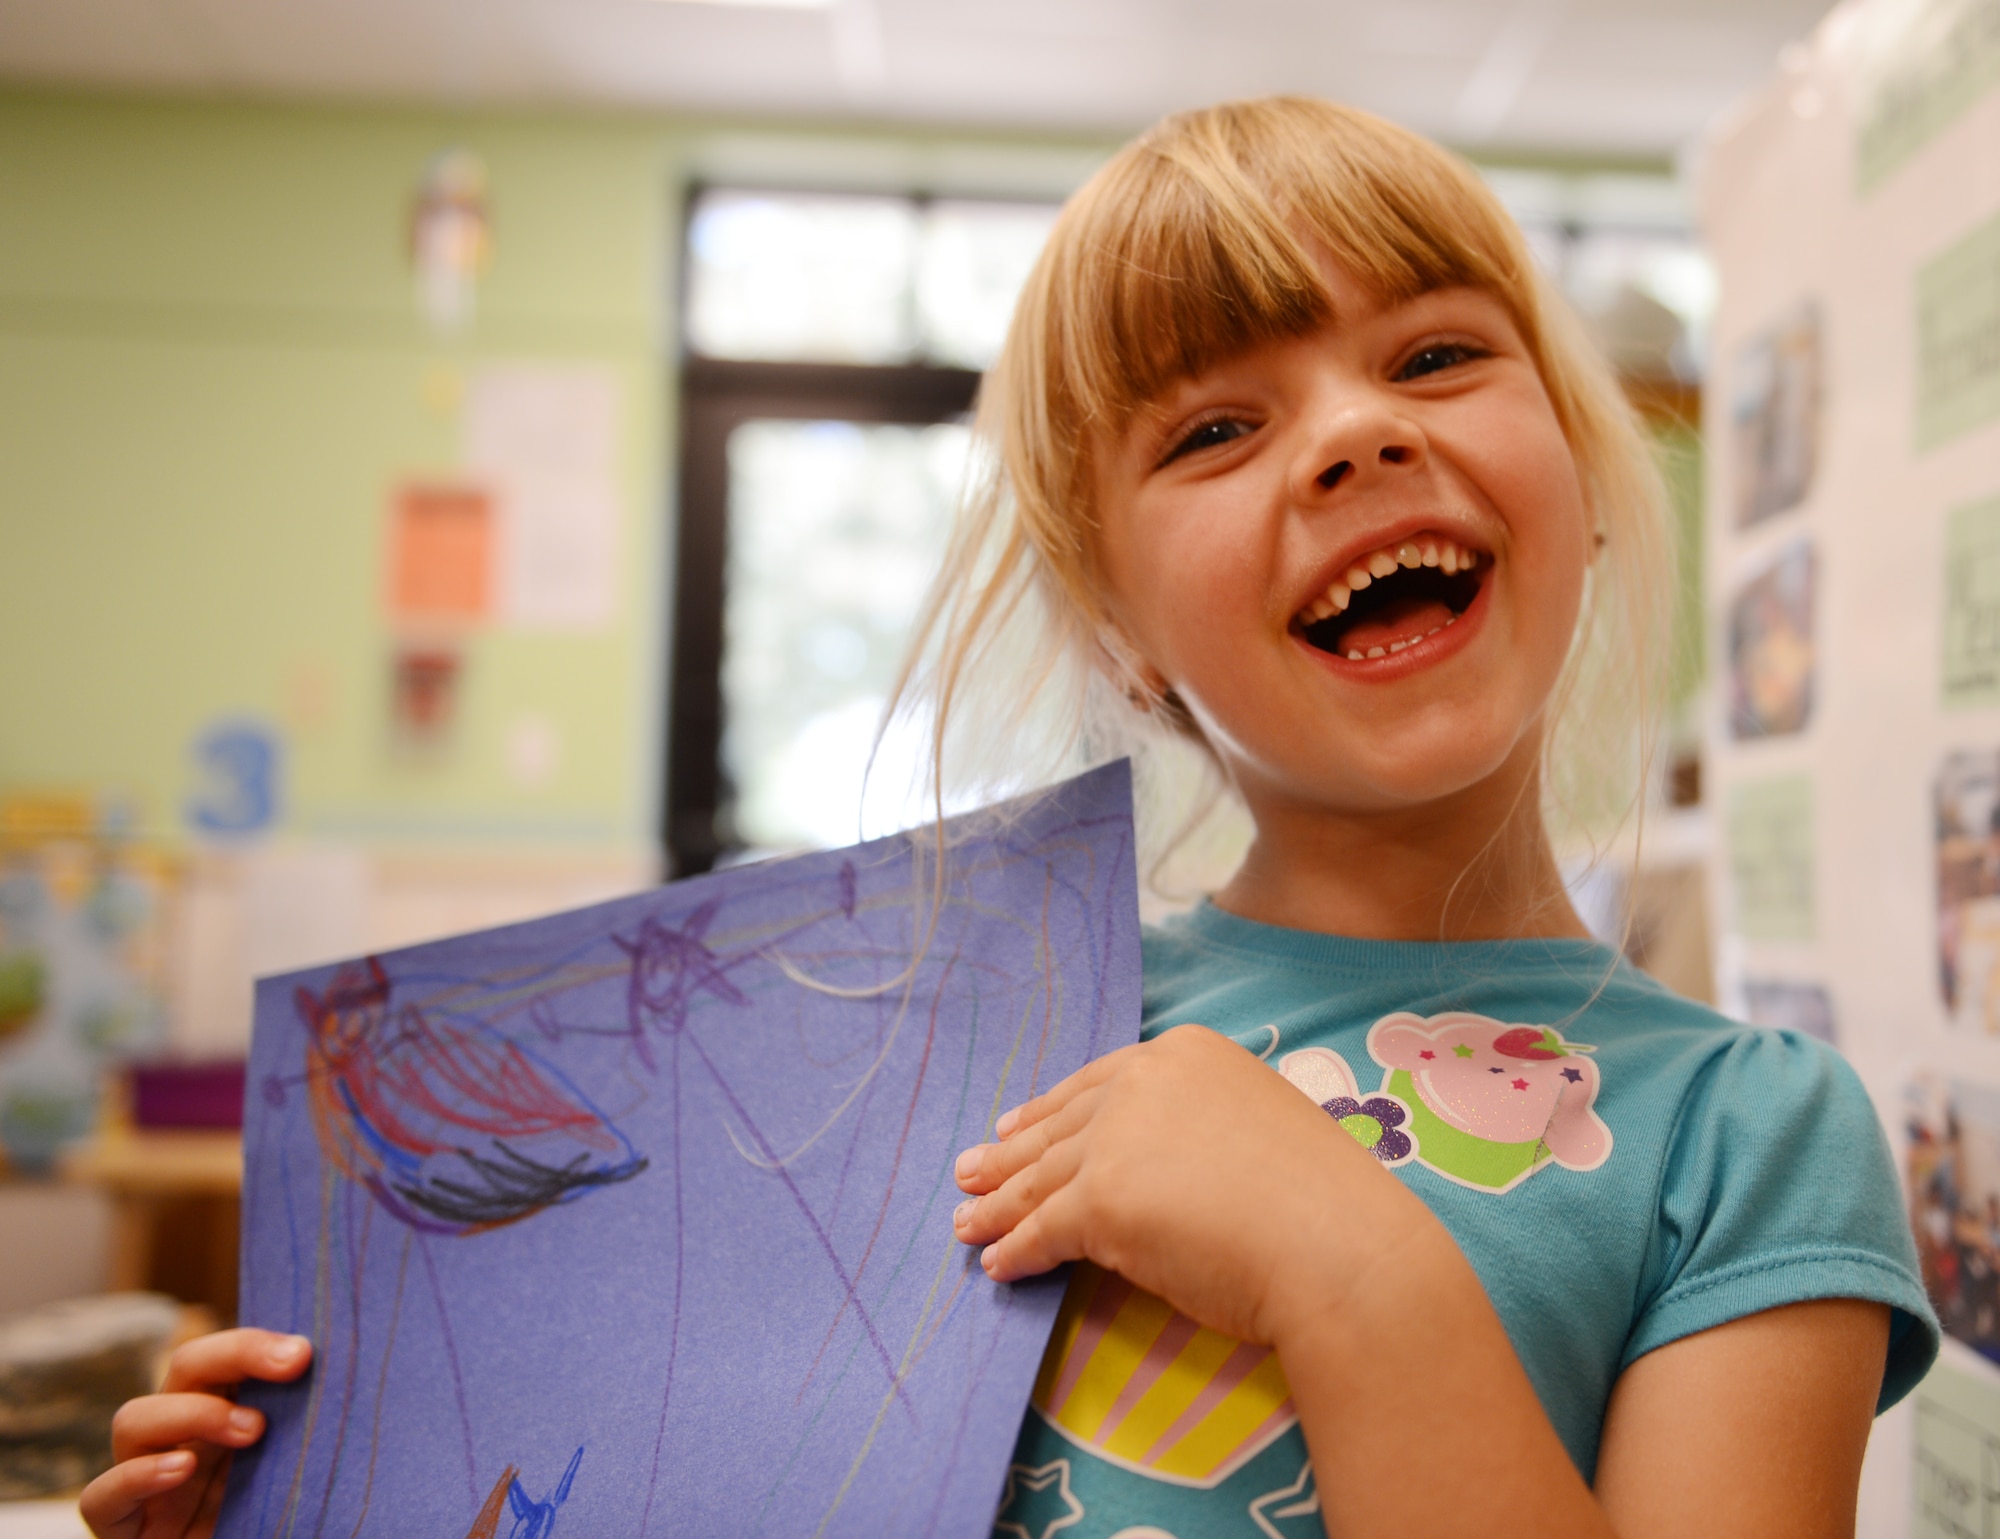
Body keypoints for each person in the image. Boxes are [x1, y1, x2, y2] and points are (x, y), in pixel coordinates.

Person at [83, 97, 1934, 1539]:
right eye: (1212, 431)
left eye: (1438, 355)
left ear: (1584, 485)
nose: (1354, 438)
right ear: (1126, 639)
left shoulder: (1755, 1138)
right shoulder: (949, 1046)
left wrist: (1353, 1264)